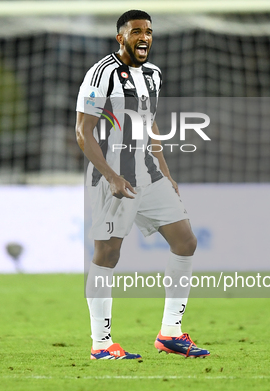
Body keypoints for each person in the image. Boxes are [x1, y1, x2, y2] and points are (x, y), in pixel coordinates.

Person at [75, 10, 210, 360]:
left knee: (186, 242)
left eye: (148, 31)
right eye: (136, 31)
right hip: (113, 178)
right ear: (121, 37)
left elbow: (149, 125)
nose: (144, 37)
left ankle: (170, 334)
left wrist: (164, 169)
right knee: (107, 254)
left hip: (149, 176)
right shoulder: (101, 74)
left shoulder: (153, 75)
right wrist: (110, 175)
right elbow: (83, 132)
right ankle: (101, 344)